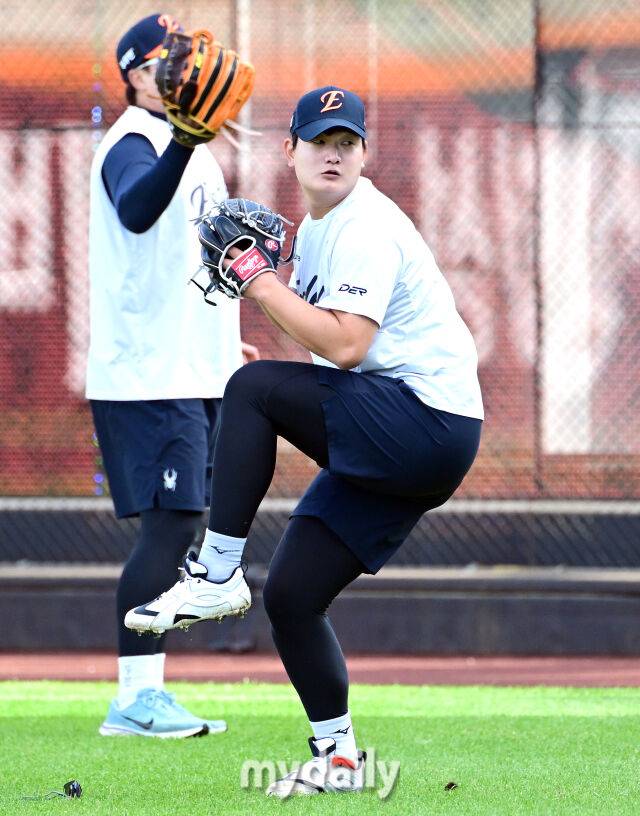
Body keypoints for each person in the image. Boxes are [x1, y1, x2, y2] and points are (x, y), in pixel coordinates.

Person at [125, 85, 483, 788]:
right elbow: (335, 358)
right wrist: (277, 386)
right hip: (406, 428)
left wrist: (257, 285)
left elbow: (348, 348)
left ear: (364, 154)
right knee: (291, 595)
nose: (333, 153)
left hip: (426, 422)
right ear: (288, 150)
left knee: (251, 393)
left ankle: (216, 573)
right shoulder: (318, 231)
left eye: (346, 142)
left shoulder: (365, 224)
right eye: (320, 141)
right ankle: (341, 760)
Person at [87, 12, 259, 739]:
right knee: (173, 525)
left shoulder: (188, 145)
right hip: (148, 376)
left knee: (183, 524)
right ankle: (133, 699)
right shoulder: (134, 140)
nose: (186, 67)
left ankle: (145, 694)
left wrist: (227, 344)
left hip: (193, 367)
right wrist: (186, 139)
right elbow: (134, 210)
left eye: (188, 55)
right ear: (133, 73)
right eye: (169, 58)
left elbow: (191, 265)